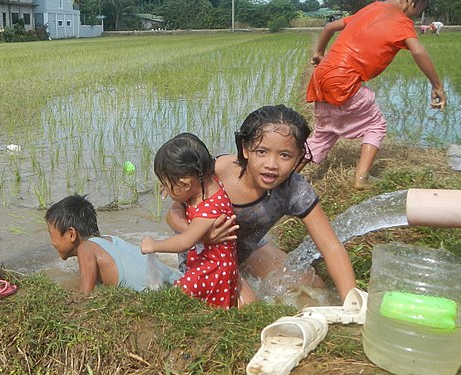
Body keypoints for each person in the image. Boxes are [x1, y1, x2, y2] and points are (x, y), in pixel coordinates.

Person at [167, 106, 357, 305]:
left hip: (247, 249)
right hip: (207, 255)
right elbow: (174, 213)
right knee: (248, 306)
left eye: (284, 155)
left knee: (312, 288)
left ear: (299, 155)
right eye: (262, 151)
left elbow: (330, 245)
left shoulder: (294, 190)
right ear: (245, 149)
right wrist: (198, 235)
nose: (271, 164)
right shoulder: (215, 173)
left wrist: (352, 303)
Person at [299, 0, 447, 189]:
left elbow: (330, 27)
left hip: (322, 75)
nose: (421, 11)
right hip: (345, 79)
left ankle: (284, 177)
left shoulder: (370, 9)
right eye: (425, 6)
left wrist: (319, 53)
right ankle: (361, 178)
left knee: (324, 134)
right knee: (376, 125)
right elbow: (418, 52)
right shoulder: (401, 22)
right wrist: (437, 85)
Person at [141, 133, 238, 309]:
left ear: (185, 184)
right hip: (212, 263)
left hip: (213, 269)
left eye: (165, 183)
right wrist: (174, 189)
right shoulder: (205, 182)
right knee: (207, 307)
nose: (164, 188)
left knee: (177, 296)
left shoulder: (209, 208)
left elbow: (185, 241)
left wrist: (154, 245)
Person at [45, 194, 182, 293]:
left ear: (71, 234)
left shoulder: (85, 249)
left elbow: (84, 296)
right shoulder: (109, 239)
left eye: (51, 235)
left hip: (154, 293)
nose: (52, 243)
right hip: (176, 281)